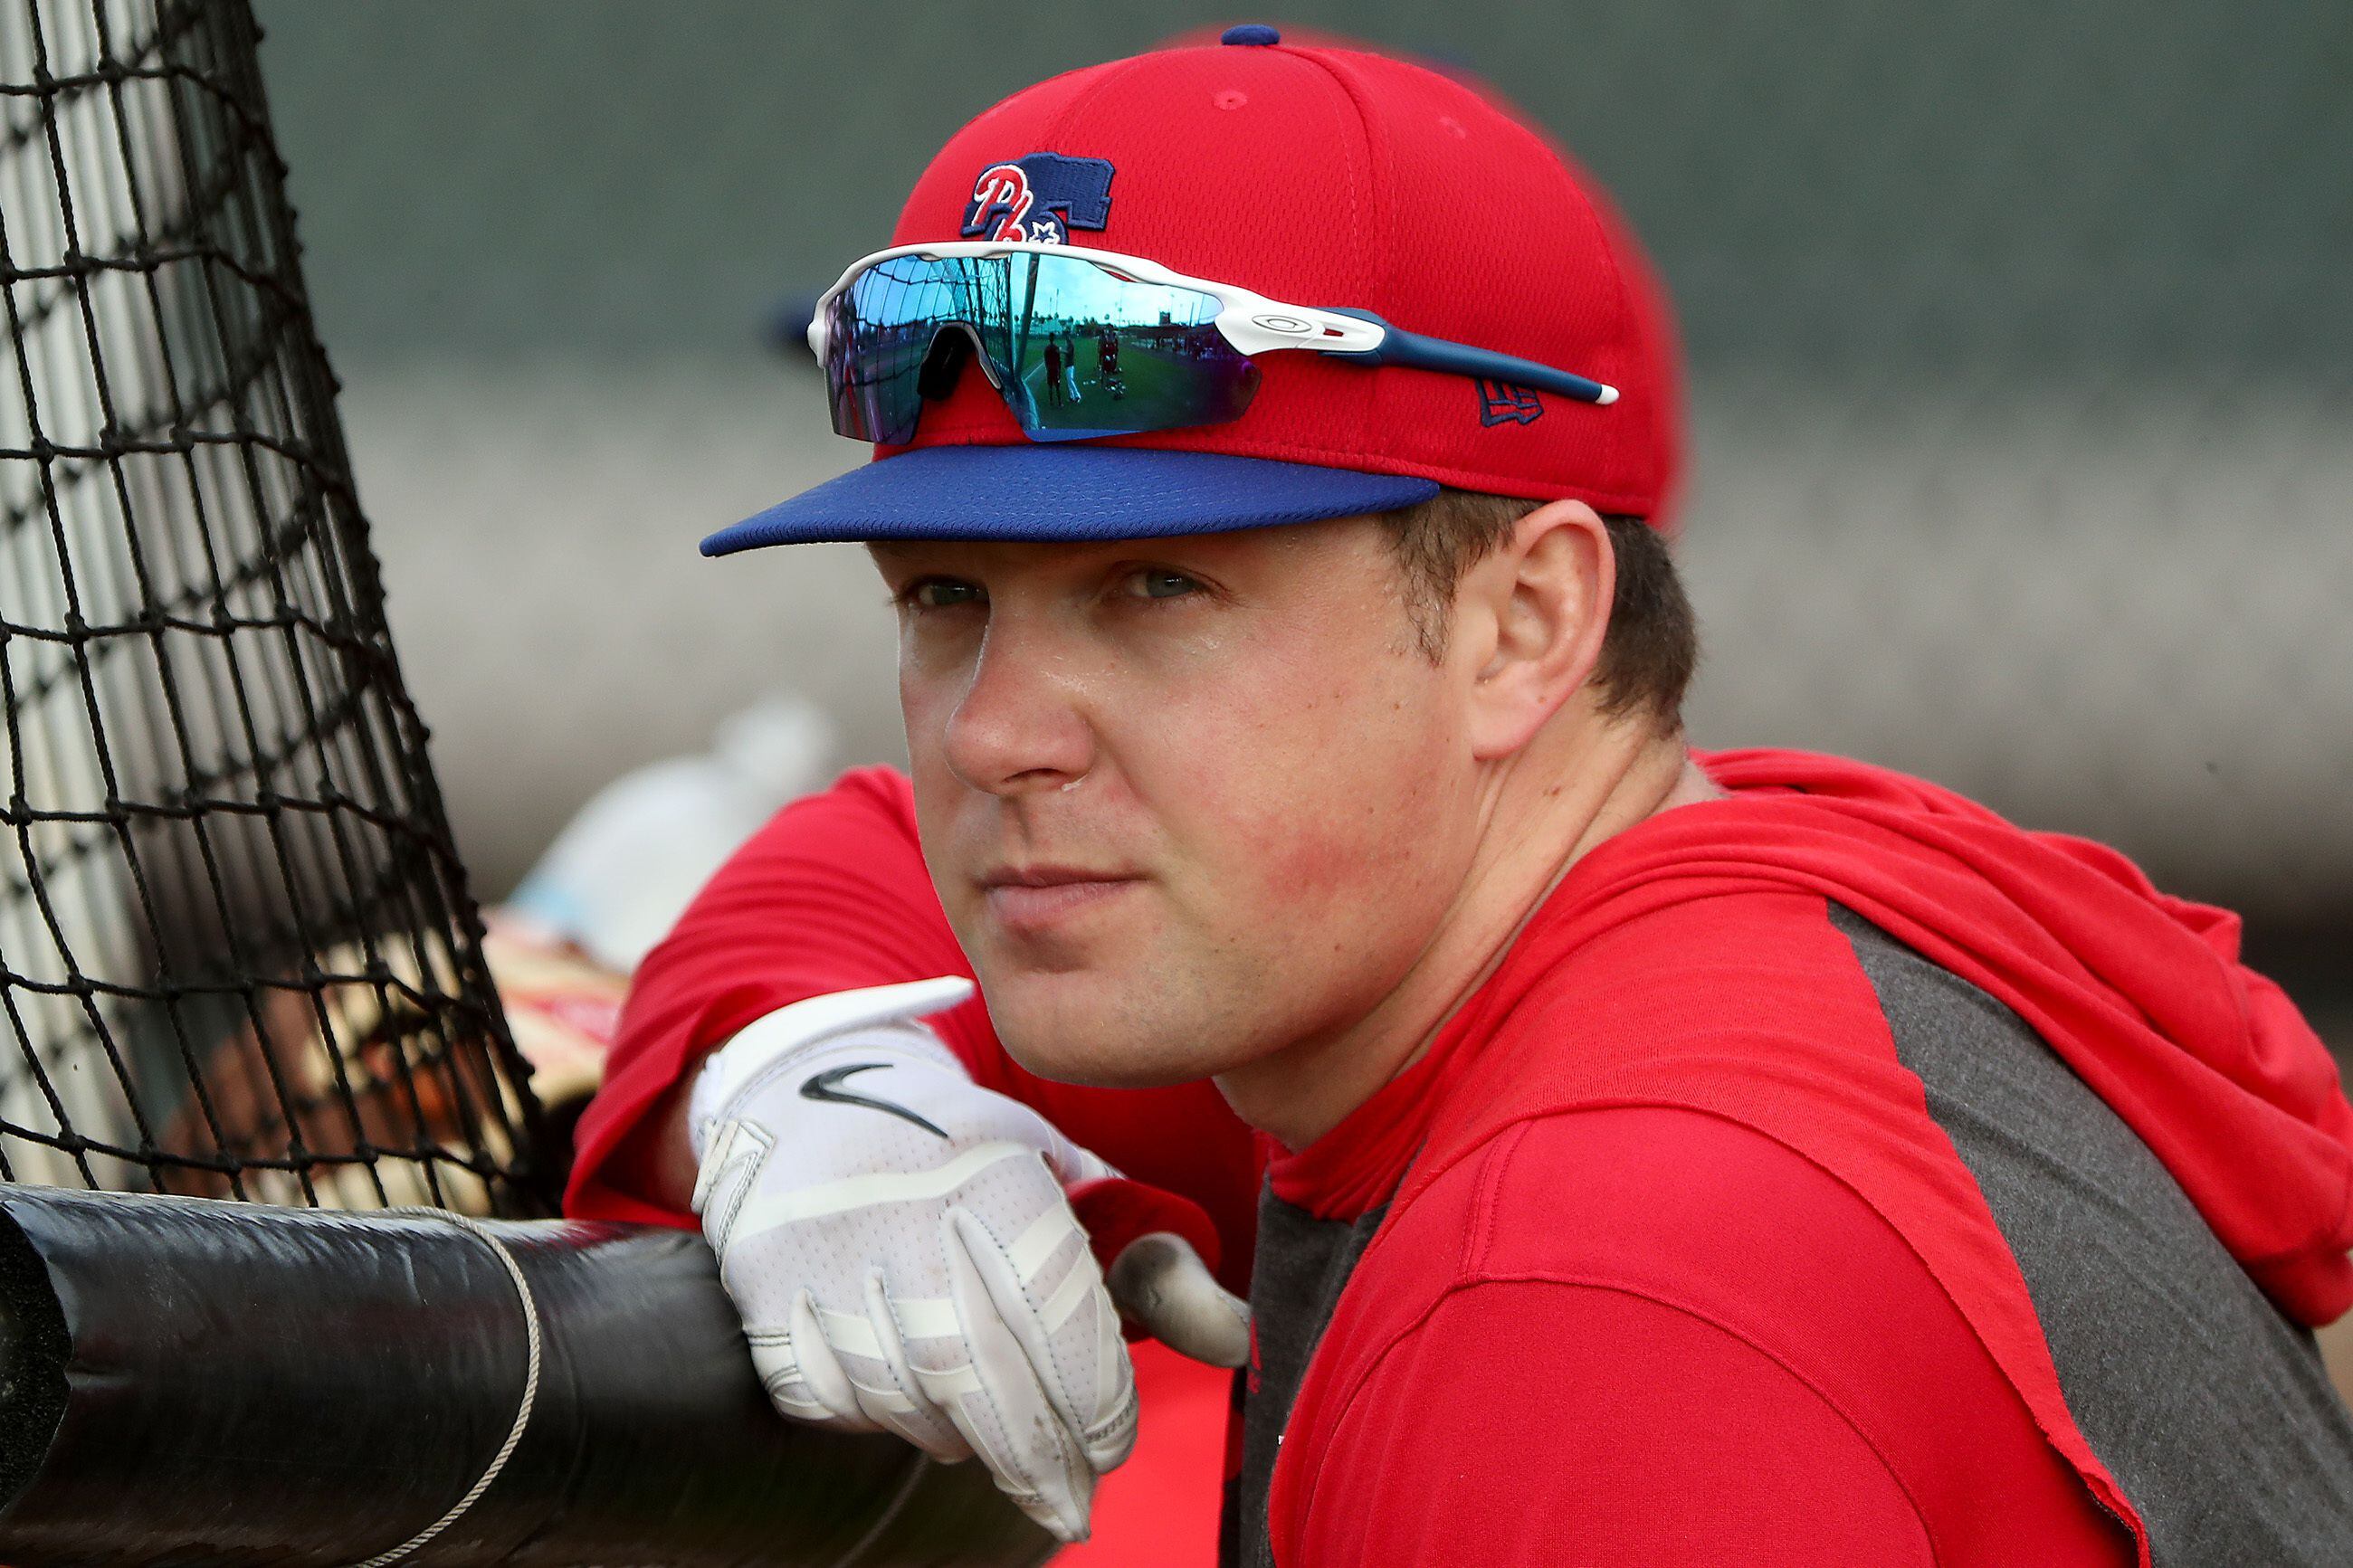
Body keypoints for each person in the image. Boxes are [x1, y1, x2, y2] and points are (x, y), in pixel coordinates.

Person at [567, 25, 2353, 1566]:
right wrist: (798, 1070)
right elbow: (861, 861)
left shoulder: (1588, 1299)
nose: (993, 733)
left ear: (1523, 623)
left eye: (1157, 591)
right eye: (945, 598)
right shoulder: (1738, 899)